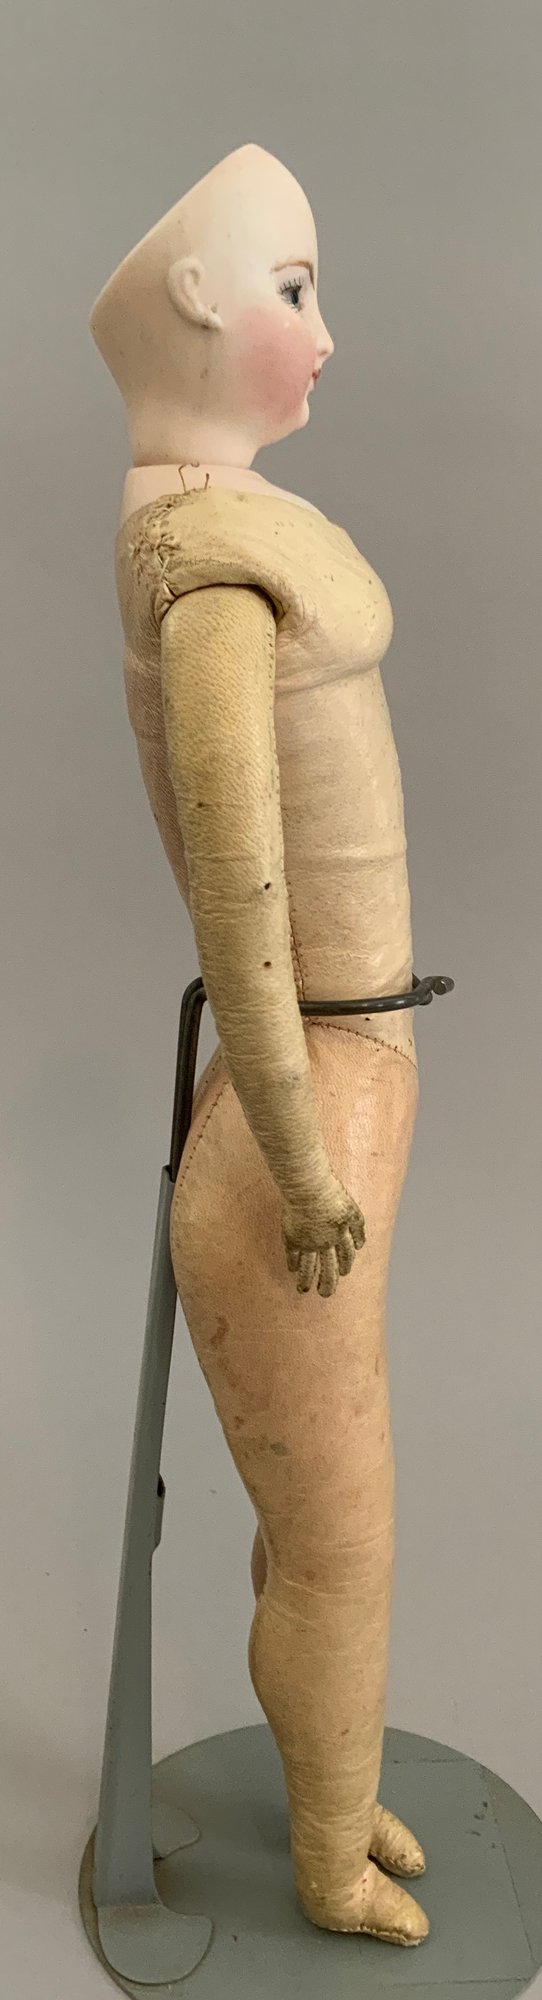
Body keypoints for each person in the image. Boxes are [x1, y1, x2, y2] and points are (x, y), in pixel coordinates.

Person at [90, 142, 429, 1947]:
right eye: (292, 291)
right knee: (341, 1538)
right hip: (298, 1110)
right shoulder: (204, 574)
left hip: (340, 1077)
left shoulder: (219, 532)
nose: (325, 333)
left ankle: (339, 1788)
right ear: (197, 307)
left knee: (322, 1518)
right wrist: (297, 1162)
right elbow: (240, 907)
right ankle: (320, 1853)